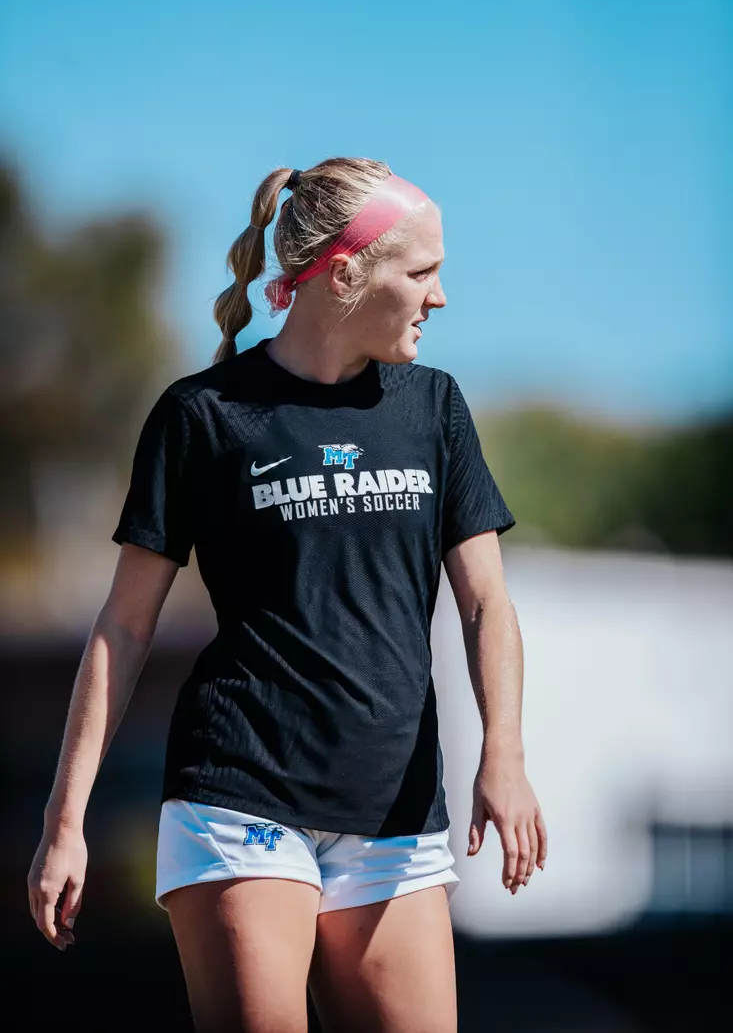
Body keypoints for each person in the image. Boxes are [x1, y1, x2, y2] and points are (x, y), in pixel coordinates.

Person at [27, 156, 547, 1033]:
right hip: (239, 798)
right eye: (422, 272)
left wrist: (505, 753)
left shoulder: (435, 408)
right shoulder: (203, 415)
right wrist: (64, 818)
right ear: (345, 274)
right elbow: (123, 625)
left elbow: (486, 603)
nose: (441, 296)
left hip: (397, 811)